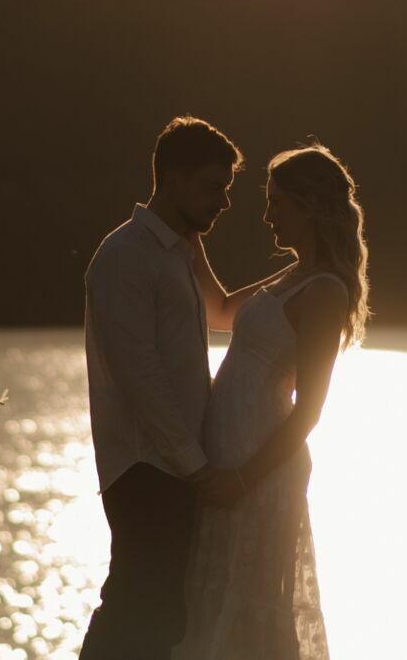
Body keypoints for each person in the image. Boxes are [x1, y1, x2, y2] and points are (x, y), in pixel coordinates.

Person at [172, 143, 371, 660]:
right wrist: (184, 224)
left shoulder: (324, 290)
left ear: (310, 207)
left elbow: (310, 410)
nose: (267, 215)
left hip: (257, 476)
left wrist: (241, 477)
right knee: (214, 608)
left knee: (250, 614)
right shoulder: (289, 278)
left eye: (277, 202)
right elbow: (217, 311)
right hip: (227, 464)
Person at [80, 116, 268, 660]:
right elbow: (143, 382)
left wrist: (302, 274)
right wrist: (199, 468)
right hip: (144, 468)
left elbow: (224, 311)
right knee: (136, 608)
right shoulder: (123, 257)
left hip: (175, 466)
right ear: (173, 179)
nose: (225, 203)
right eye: (214, 188)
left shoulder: (180, 250)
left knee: (162, 617)